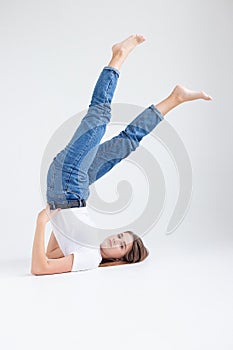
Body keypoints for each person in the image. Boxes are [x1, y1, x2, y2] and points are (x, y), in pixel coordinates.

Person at [31, 34, 212, 276]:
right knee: (127, 144)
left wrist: (42, 222)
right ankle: (175, 98)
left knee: (98, 119)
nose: (114, 241)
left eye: (120, 245)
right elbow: (54, 252)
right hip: (78, 189)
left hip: (65, 183)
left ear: (120, 260)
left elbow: (40, 267)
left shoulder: (90, 258)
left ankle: (118, 56)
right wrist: (61, 222)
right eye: (119, 237)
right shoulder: (90, 247)